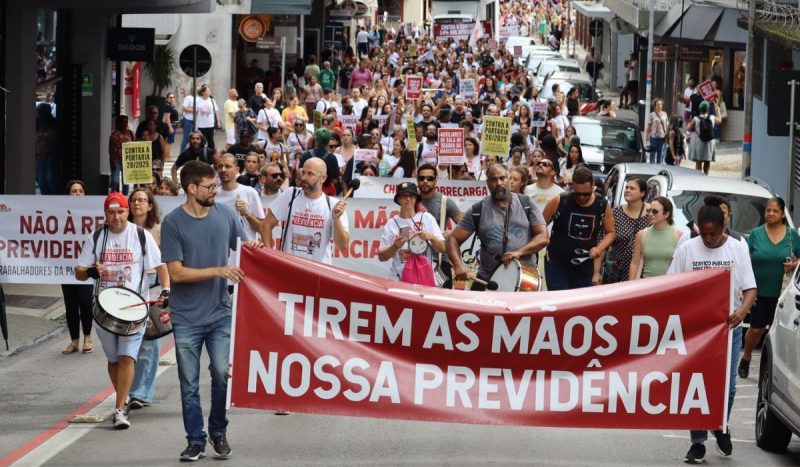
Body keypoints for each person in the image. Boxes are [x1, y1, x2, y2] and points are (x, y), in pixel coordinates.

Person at [161, 160, 251, 461]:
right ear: (191, 188)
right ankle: (195, 440)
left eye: (215, 185)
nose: (216, 190)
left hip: (220, 312)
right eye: (209, 186)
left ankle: (218, 431)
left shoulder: (226, 215)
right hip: (186, 316)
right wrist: (218, 270)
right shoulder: (173, 223)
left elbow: (248, 251)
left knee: (221, 373)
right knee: (188, 383)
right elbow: (176, 273)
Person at [667, 196, 757, 464]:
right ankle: (697, 442)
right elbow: (670, 287)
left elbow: (750, 289)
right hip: (696, 332)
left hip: (728, 330)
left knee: (727, 389)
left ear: (723, 227)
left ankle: (719, 423)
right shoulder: (687, 249)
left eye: (714, 234)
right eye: (704, 234)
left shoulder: (738, 249)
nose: (708, 239)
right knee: (698, 387)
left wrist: (742, 311)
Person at [75, 192, 168, 429]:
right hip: (104, 309)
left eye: (121, 212)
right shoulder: (95, 237)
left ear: (127, 211)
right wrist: (91, 272)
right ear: (105, 214)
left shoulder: (140, 235)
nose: (116, 217)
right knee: (114, 359)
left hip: (134, 307)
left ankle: (119, 409)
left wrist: (166, 289)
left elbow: (160, 266)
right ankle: (124, 397)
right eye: (111, 212)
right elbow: (78, 271)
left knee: (128, 357)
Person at [446, 164, 549, 290]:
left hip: (525, 279)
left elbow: (543, 237)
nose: (498, 183)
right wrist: (458, 265)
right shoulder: (478, 210)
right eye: (493, 179)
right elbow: (453, 239)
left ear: (509, 179)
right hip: (488, 280)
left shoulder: (526, 203)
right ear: (487, 183)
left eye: (502, 178)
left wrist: (518, 252)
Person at [739, 197, 800, 378]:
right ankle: (747, 357)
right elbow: (745, 262)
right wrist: (745, 288)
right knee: (757, 329)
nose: (771, 214)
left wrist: (794, 264)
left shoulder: (791, 236)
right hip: (758, 291)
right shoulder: (756, 235)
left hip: (783, 294)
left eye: (775, 211)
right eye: (768, 211)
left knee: (781, 332)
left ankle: (778, 369)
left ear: (782, 214)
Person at [127, 188, 171, 410]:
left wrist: (166, 289)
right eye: (133, 200)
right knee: (126, 343)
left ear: (150, 205)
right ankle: (127, 388)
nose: (137, 204)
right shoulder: (121, 229)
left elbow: (167, 262)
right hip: (126, 290)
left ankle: (141, 392)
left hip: (152, 288)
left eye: (142, 200)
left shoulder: (159, 231)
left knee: (149, 342)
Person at [260, 157, 350, 265]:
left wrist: (336, 220)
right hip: (289, 269)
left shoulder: (333, 205)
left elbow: (343, 246)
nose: (304, 177)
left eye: (310, 174)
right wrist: (269, 257)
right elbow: (265, 225)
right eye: (303, 172)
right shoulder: (291, 194)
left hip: (318, 273)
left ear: (323, 178)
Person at [542, 166, 615, 290]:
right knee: (560, 304)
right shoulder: (561, 201)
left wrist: (599, 248)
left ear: (593, 186)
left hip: (585, 267)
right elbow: (540, 226)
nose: (581, 197)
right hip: (557, 265)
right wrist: (544, 239)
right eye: (577, 194)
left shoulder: (602, 204)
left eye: (586, 194)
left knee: (578, 306)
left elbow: (611, 232)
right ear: (572, 187)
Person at [378, 182, 446, 283]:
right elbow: (381, 257)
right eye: (404, 196)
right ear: (398, 199)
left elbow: (442, 248)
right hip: (399, 280)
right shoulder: (391, 224)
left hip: (424, 278)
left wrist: (431, 237)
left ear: (416, 199)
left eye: (411, 196)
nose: (408, 198)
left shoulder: (426, 218)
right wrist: (395, 246)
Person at [61, 180, 94, 355]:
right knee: (70, 304)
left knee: (85, 301)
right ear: (68, 195)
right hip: (65, 267)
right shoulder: (59, 213)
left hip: (85, 265)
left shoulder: (91, 212)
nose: (78, 194)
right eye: (74, 191)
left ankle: (88, 337)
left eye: (81, 191)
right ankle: (74, 341)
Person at [417, 164, 464, 288]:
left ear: (436, 180)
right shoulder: (411, 200)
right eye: (421, 178)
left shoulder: (445, 201)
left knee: (443, 302)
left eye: (429, 178)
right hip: (416, 260)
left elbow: (465, 224)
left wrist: (452, 234)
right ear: (417, 180)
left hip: (440, 260)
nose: (425, 181)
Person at [604, 177, 650, 283]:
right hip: (616, 272)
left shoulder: (652, 214)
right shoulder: (615, 213)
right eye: (626, 187)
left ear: (642, 193)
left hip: (641, 272)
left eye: (632, 188)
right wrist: (597, 271)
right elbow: (602, 239)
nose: (627, 190)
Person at [629, 196, 683, 279]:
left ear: (666, 214)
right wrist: (631, 286)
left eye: (655, 211)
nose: (650, 214)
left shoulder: (678, 235)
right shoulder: (641, 234)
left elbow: (682, 265)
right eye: (649, 210)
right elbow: (634, 263)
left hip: (670, 285)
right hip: (647, 285)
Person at [215, 153, 265, 243]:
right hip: (222, 252)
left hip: (245, 252)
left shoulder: (250, 192)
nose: (223, 170)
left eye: (228, 166)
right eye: (220, 166)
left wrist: (247, 214)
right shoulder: (213, 195)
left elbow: (263, 229)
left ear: (236, 170)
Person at [686, 101, 717, 175]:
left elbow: (689, 128)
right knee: (707, 161)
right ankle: (706, 176)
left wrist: (689, 123)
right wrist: (717, 110)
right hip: (710, 141)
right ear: (708, 110)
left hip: (700, 142)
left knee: (699, 161)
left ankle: (698, 177)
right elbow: (720, 120)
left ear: (699, 109)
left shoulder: (696, 119)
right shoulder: (712, 117)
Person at [109, 115, 134, 194]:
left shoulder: (130, 133)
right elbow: (111, 149)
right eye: (123, 122)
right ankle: (113, 195)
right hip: (116, 160)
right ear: (119, 123)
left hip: (127, 161)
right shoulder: (114, 134)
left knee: (126, 181)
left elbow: (134, 144)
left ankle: (125, 197)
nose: (125, 123)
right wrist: (112, 161)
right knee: (115, 180)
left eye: (126, 121)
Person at [645, 98, 669, 164]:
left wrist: (668, 135)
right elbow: (649, 126)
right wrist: (647, 137)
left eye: (661, 104)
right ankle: (652, 167)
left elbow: (667, 125)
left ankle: (659, 167)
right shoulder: (652, 114)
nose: (660, 106)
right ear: (655, 106)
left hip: (662, 137)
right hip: (654, 138)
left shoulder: (665, 114)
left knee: (660, 153)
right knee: (652, 153)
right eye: (658, 104)